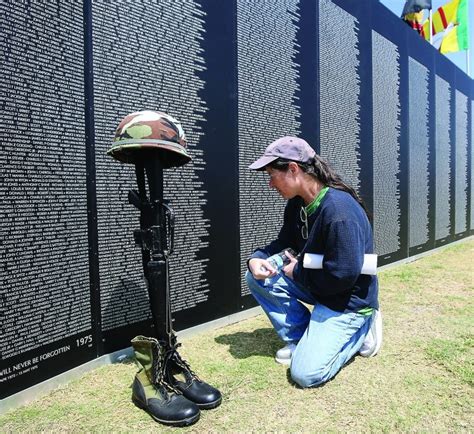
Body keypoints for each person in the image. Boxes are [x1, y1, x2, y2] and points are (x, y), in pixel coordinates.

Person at [246, 136, 382, 388]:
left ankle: (363, 328)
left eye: (271, 174)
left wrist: (297, 272)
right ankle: (300, 338)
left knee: (305, 374)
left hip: (347, 300)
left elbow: (343, 274)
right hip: (320, 285)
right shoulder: (297, 204)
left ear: (293, 169)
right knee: (256, 276)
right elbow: (284, 242)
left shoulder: (339, 212)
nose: (269, 184)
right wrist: (257, 258)